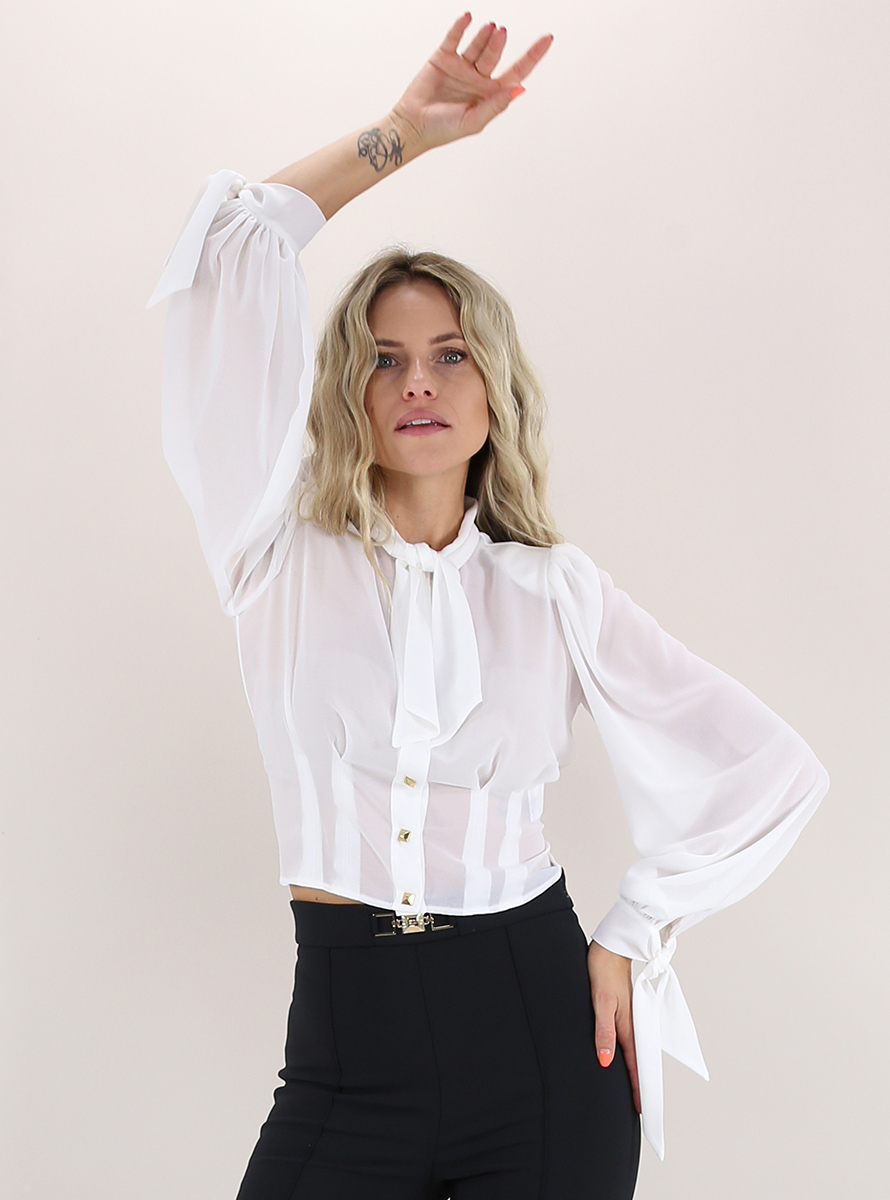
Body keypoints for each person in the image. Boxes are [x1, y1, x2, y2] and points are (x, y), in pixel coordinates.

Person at [146, 13, 829, 1199]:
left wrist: (630, 931)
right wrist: (402, 135)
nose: (416, 379)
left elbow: (769, 771)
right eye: (382, 356)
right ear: (346, 390)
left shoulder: (553, 590)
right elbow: (231, 254)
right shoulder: (275, 557)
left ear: (492, 389)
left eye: (450, 354)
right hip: (343, 1058)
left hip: (541, 1045)